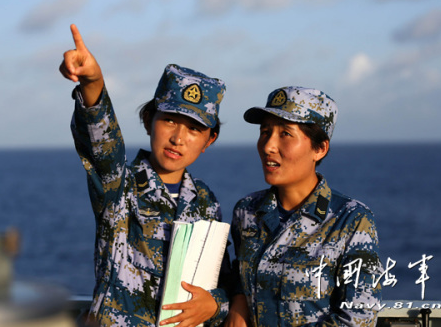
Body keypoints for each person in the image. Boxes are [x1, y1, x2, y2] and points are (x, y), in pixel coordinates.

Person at [59, 24, 230, 327]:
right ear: (150, 120)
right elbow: (102, 145)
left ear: (210, 140)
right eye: (169, 121)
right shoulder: (120, 186)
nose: (178, 137)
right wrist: (93, 83)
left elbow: (221, 282)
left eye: (194, 129)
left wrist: (215, 304)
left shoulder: (206, 203)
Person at [225, 86, 383, 326]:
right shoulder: (247, 211)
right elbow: (241, 273)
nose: (268, 145)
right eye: (265, 132)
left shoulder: (350, 220)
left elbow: (358, 317)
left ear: (319, 149)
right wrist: (238, 301)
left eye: (285, 134)